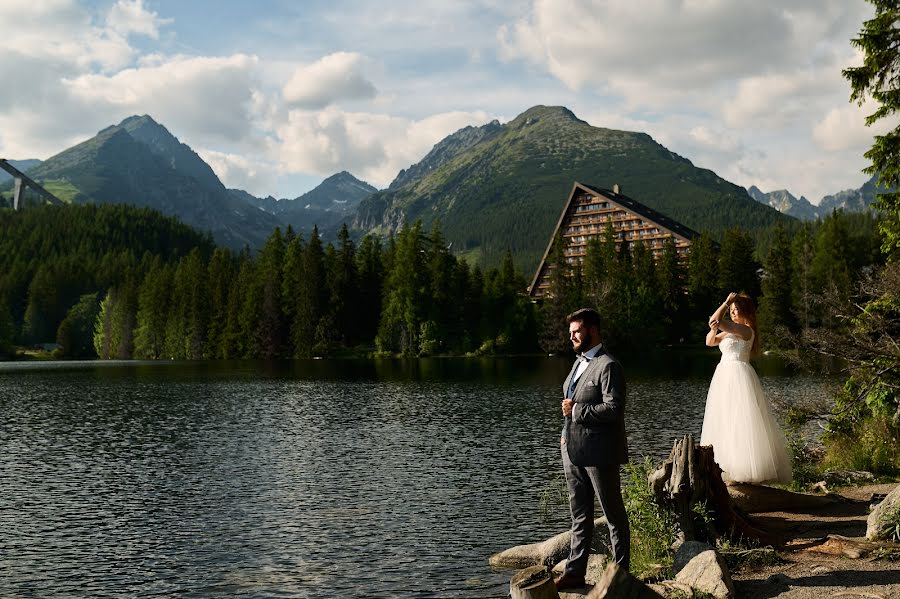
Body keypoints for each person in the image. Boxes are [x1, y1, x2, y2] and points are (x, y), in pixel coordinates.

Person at [555, 308, 631, 591]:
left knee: (613, 514)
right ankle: (575, 573)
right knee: (579, 514)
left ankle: (621, 576)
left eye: (576, 331)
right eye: (571, 332)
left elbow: (614, 409)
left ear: (593, 330)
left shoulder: (608, 365)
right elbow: (569, 404)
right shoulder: (578, 363)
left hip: (600, 453)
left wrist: (577, 411)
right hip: (572, 451)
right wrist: (565, 434)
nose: (571, 337)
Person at [701, 292, 792, 484]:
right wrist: (714, 329)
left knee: (742, 421)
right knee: (726, 421)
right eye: (731, 310)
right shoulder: (731, 331)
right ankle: (728, 469)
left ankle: (745, 470)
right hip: (724, 376)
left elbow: (714, 319)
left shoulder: (746, 331)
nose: (733, 313)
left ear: (746, 312)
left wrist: (725, 303)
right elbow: (710, 341)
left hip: (738, 375)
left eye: (736, 310)